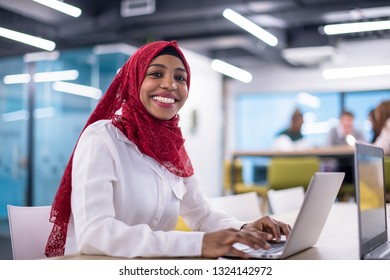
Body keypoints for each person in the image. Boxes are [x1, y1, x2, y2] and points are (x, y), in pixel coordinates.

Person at [44, 40, 290, 259]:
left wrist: (243, 230)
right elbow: (95, 234)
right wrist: (198, 244)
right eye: (156, 73)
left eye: (180, 77)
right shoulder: (102, 138)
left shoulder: (170, 146)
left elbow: (201, 214)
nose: (170, 84)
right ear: (134, 79)